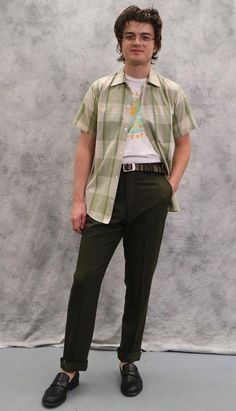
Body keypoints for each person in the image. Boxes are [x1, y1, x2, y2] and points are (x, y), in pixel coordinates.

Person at [42, 5, 197, 408]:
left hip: (151, 188)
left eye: (145, 36)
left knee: (139, 281)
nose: (138, 42)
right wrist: (78, 198)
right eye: (130, 36)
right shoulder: (99, 89)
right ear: (120, 42)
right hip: (104, 191)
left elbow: (184, 144)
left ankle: (129, 360)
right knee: (84, 280)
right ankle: (70, 368)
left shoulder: (173, 92)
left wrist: (168, 187)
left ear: (156, 44)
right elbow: (85, 147)